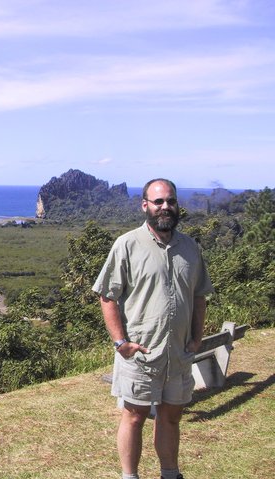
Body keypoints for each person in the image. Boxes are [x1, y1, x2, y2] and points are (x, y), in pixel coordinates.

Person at [92, 178, 214, 479]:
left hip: (179, 353)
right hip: (140, 354)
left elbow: (199, 296)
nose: (165, 207)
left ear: (176, 205)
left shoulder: (190, 248)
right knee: (134, 416)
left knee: (172, 417)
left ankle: (170, 474)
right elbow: (107, 295)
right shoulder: (128, 245)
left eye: (170, 201)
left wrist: (197, 339)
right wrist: (121, 343)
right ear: (144, 205)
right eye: (158, 201)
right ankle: (129, 476)